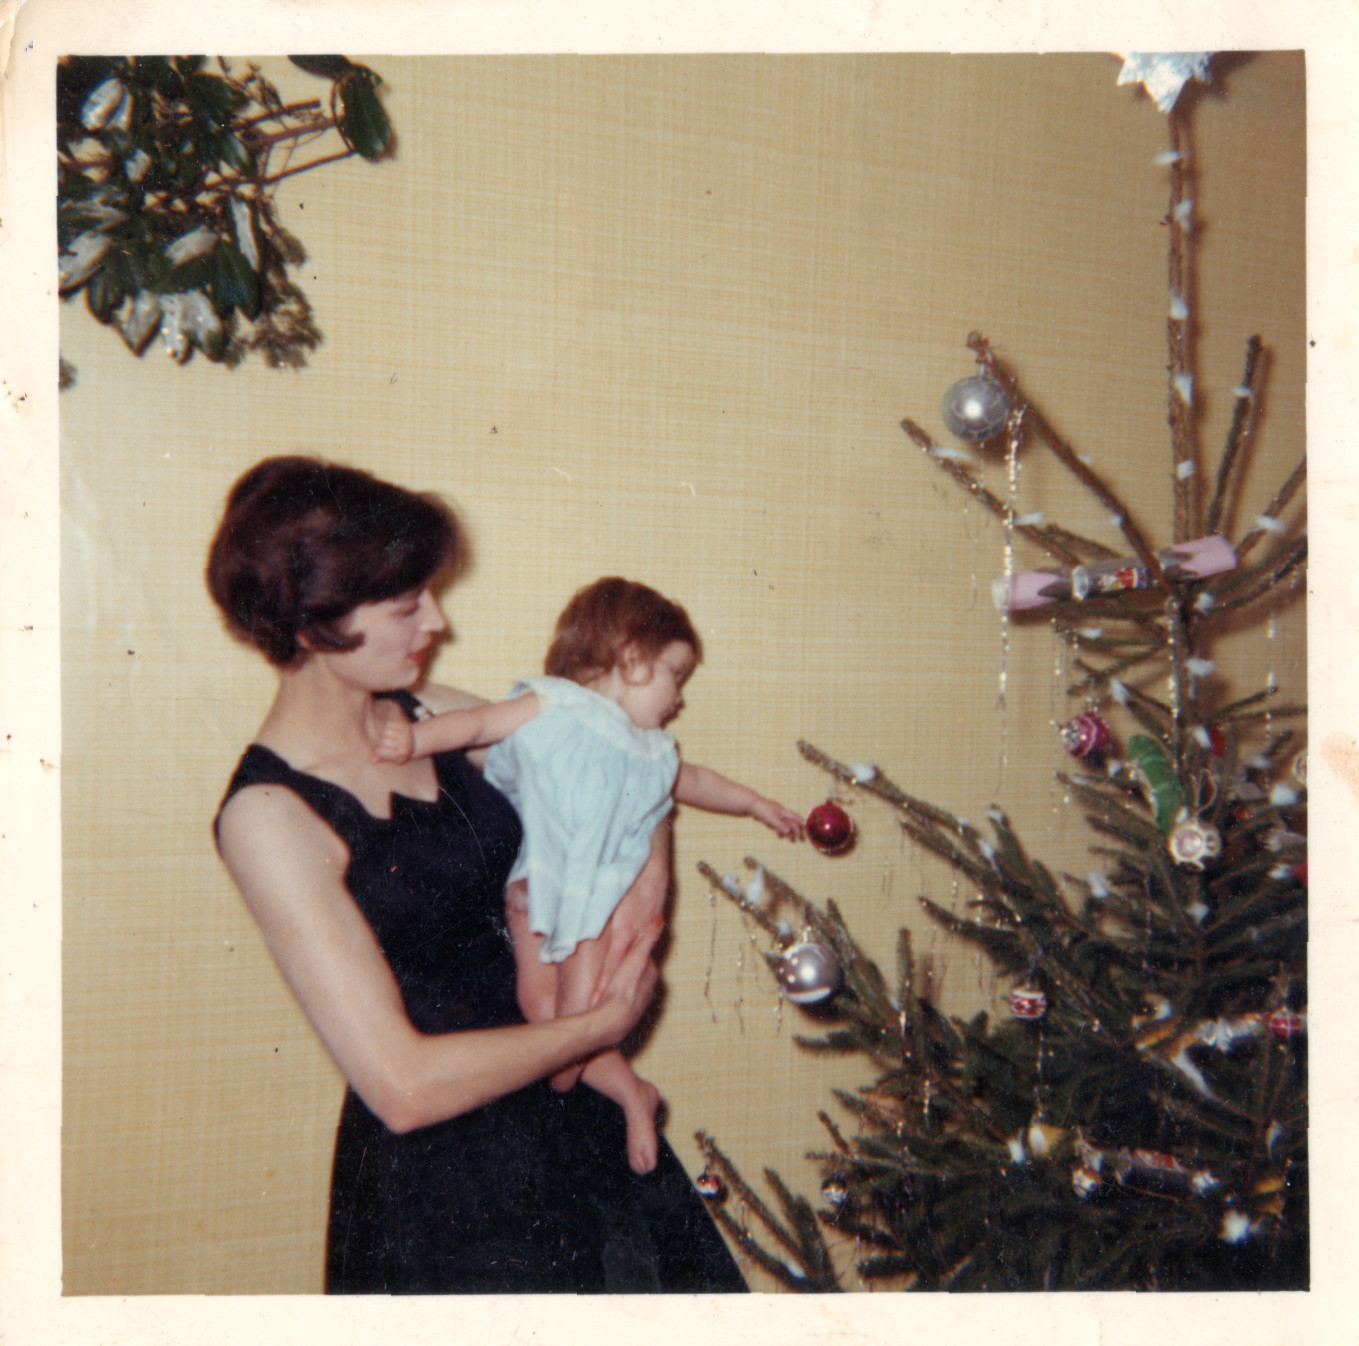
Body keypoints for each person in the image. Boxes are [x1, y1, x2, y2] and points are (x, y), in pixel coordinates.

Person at [208, 456, 750, 1294]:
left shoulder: (441, 715)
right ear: (316, 627)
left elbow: (628, 780)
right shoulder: (269, 816)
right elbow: (401, 1086)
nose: (437, 620)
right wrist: (598, 1025)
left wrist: (646, 896)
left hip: (576, 1125)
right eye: (406, 604)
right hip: (450, 1183)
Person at [372, 577, 805, 1175]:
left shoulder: (652, 750)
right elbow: (477, 726)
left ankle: (600, 1082)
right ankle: (630, 1090)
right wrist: (415, 738)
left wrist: (757, 804)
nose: (678, 697)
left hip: (601, 896)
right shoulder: (554, 704)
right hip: (535, 885)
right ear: (630, 659)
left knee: (575, 1020)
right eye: (674, 674)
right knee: (537, 1004)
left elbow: (697, 782)